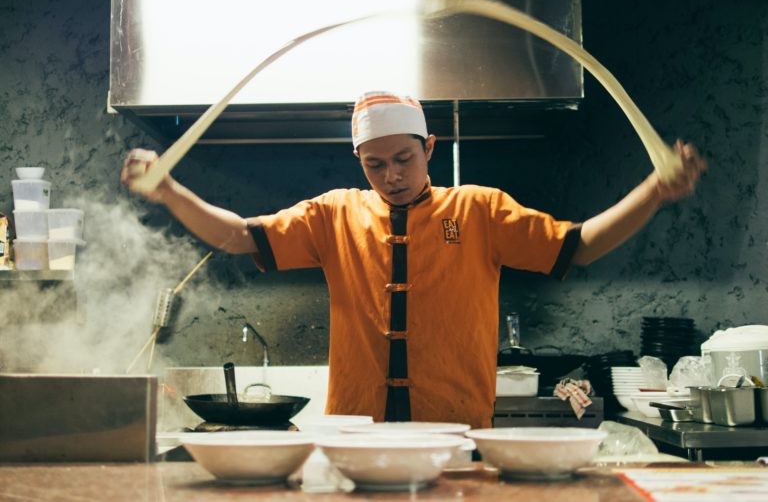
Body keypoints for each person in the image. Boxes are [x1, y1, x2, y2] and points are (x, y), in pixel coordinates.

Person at [121, 91, 706, 429]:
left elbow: (579, 246)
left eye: (403, 158)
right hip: (356, 432)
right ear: (359, 161)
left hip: (455, 430)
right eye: (374, 164)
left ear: (430, 148)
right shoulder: (333, 214)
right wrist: (171, 191)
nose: (391, 176)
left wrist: (654, 191)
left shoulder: (479, 210)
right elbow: (240, 237)